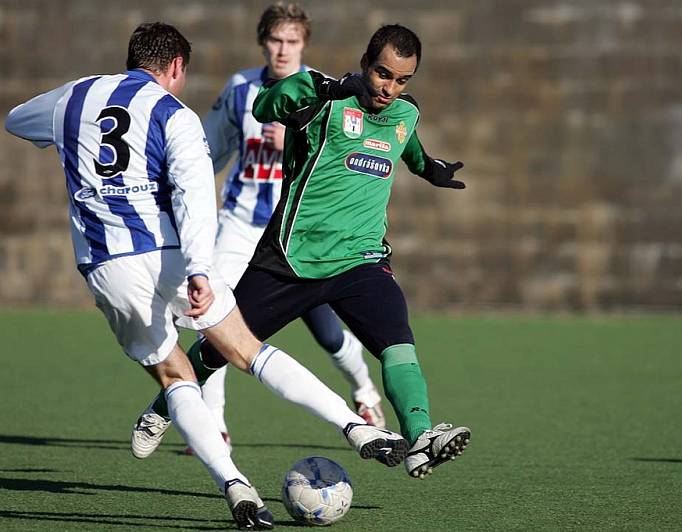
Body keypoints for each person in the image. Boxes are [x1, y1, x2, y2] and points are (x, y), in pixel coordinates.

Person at [4, 22, 407, 529]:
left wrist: (69, 144)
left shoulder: (77, 96)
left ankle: (234, 484)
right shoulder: (175, 115)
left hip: (110, 267)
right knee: (247, 348)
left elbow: (17, 120)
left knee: (176, 375)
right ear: (176, 67)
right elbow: (196, 197)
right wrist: (199, 268)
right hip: (174, 253)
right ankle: (355, 427)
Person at [130, 24, 471, 479]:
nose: (390, 89)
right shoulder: (321, 98)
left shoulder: (405, 113)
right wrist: (316, 84)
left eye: (402, 80)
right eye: (383, 75)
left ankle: (421, 435)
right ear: (366, 64)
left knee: (398, 343)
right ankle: (161, 408)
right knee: (217, 347)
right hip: (290, 260)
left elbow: (405, 145)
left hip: (360, 260)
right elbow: (263, 105)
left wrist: (431, 169)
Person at [194, 3, 385, 454]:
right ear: (263, 42)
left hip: (298, 229)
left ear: (304, 44)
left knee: (327, 331)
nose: (283, 49)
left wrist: (297, 139)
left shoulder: (326, 89)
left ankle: (365, 391)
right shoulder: (240, 88)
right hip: (240, 224)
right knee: (212, 320)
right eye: (275, 40)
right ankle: (214, 426)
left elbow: (346, 159)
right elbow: (209, 152)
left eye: (292, 41)